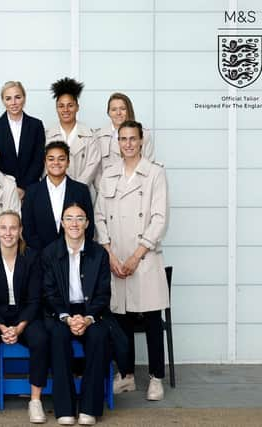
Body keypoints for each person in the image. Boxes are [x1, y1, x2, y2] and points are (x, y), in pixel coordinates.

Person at [94, 120, 169, 401]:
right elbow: (99, 216)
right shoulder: (109, 175)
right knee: (120, 317)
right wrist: (110, 254)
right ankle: (125, 375)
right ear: (118, 142)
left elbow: (159, 218)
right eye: (123, 139)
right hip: (116, 258)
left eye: (132, 139)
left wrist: (137, 255)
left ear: (141, 141)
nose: (127, 143)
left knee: (151, 318)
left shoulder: (154, 174)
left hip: (144, 257)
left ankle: (156, 378)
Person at [0, 211, 48, 424]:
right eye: (3, 228)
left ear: (20, 230)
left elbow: (35, 300)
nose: (8, 233)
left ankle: (35, 400)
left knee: (41, 339)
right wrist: (3, 326)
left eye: (13, 228)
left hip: (25, 314)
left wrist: (20, 327)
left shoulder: (32, 257)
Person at [43, 202, 112, 426]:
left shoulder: (99, 253)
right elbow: (49, 293)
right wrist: (66, 317)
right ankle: (64, 408)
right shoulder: (50, 253)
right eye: (69, 218)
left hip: (91, 312)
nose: (74, 223)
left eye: (80, 218)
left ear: (87, 223)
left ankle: (89, 408)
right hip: (60, 312)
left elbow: (103, 294)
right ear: (62, 223)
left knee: (99, 337)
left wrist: (88, 318)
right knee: (58, 337)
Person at [21, 141, 93, 251]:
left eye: (61, 159)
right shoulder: (32, 191)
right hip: (40, 257)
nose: (56, 163)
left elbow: (89, 227)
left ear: (68, 162)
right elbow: (28, 229)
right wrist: (46, 254)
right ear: (45, 162)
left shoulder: (81, 190)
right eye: (51, 159)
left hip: (73, 254)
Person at [0, 81, 45, 200]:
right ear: (3, 101)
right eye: (8, 98)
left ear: (24, 98)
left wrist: (23, 187)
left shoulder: (36, 125)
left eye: (17, 97)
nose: (13, 103)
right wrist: (11, 187)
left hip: (31, 188)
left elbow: (38, 159)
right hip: (2, 189)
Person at [45, 77, 100, 188]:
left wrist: (76, 189)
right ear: (56, 108)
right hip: (54, 191)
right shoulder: (47, 135)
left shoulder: (89, 135)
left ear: (77, 107)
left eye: (70, 105)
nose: (66, 110)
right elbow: (43, 168)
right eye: (61, 106)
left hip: (82, 192)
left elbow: (92, 166)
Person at [94, 92, 154, 189]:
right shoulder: (98, 136)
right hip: (109, 192)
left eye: (122, 109)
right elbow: (97, 172)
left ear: (129, 110)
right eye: (114, 109)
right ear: (108, 112)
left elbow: (149, 166)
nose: (118, 113)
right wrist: (104, 191)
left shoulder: (144, 135)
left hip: (137, 190)